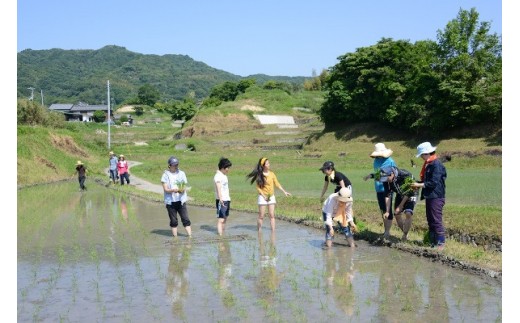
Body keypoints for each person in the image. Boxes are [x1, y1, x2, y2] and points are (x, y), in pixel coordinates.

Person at [411, 142, 447, 250]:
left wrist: (419, 185)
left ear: (427, 153)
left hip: (436, 196)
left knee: (436, 219)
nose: (421, 157)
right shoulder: (428, 164)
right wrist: (417, 184)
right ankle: (432, 242)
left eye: (422, 155)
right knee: (430, 219)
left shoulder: (436, 164)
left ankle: (440, 244)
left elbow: (433, 182)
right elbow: (425, 181)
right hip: (430, 196)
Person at [246, 157, 291, 231]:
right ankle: (259, 231)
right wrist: (264, 196)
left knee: (272, 215)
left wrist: (284, 191)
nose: (269, 164)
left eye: (269, 163)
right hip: (262, 197)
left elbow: (277, 184)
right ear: (263, 166)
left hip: (271, 197)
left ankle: (273, 231)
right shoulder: (259, 175)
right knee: (261, 216)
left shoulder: (272, 174)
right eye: (267, 163)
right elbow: (258, 188)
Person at [363, 143, 397, 239]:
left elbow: (395, 174)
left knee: (388, 210)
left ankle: (387, 231)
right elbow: (378, 175)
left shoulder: (390, 161)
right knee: (383, 210)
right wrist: (371, 176)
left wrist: (390, 178)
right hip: (378, 188)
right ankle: (385, 231)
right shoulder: (376, 162)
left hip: (388, 188)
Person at [377, 166, 418, 241]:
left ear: (392, 174)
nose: (385, 181)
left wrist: (401, 205)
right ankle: (405, 233)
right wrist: (387, 211)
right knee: (397, 214)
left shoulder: (404, 174)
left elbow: (409, 190)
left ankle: (405, 236)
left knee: (408, 213)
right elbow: (388, 196)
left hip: (411, 192)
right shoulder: (386, 181)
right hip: (400, 193)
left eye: (386, 178)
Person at [161, 156, 192, 237]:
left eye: (177, 164)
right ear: (169, 165)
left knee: (185, 219)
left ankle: (190, 236)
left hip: (181, 200)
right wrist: (173, 190)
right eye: (174, 165)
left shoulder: (182, 173)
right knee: (174, 221)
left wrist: (182, 190)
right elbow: (166, 189)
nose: (176, 166)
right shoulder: (165, 175)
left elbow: (184, 186)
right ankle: (175, 238)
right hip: (170, 202)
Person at [214, 157, 232, 236]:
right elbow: (218, 187)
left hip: (227, 199)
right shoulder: (218, 176)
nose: (228, 169)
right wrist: (220, 198)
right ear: (223, 167)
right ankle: (220, 236)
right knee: (221, 219)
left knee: (225, 218)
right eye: (227, 167)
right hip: (221, 200)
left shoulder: (224, 176)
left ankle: (223, 233)